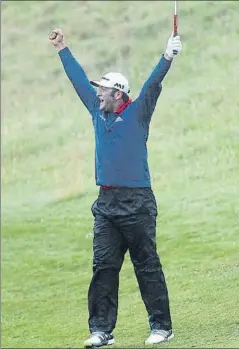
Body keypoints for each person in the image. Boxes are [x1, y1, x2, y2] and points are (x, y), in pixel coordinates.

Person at [49, 27, 182, 348]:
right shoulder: (97, 112)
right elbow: (79, 81)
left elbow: (152, 84)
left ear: (119, 94)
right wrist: (62, 48)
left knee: (146, 264)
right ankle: (101, 331)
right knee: (103, 266)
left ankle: (162, 327)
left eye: (104, 90)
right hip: (106, 204)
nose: (98, 93)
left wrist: (167, 56)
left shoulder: (137, 113)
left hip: (138, 202)